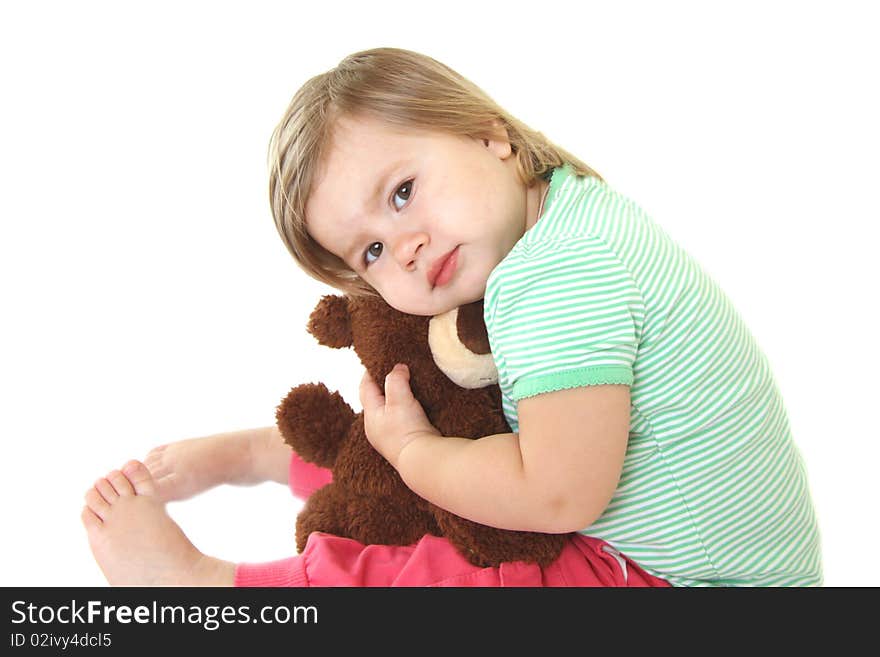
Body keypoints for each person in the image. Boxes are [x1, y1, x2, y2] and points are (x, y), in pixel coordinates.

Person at [81, 47, 822, 587]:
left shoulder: (555, 274)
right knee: (454, 419)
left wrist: (412, 453)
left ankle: (212, 587)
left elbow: (556, 492)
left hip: (678, 584)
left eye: (403, 191)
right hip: (689, 565)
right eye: (370, 248)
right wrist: (416, 446)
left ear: (488, 136)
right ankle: (290, 453)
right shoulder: (565, 217)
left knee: (448, 577)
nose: (404, 247)